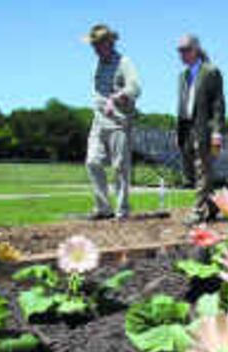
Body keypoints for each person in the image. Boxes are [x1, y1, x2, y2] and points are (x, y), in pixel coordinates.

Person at [83, 24, 141, 220]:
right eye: (94, 45)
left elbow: (135, 88)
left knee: (120, 168)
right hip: (99, 121)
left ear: (109, 43)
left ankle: (122, 210)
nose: (95, 49)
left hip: (119, 122)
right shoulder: (97, 64)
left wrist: (115, 98)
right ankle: (103, 208)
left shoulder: (124, 62)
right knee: (92, 162)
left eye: (98, 44)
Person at [176, 34, 225, 224]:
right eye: (179, 51)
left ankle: (197, 211)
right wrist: (178, 131)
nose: (182, 54)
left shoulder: (211, 72)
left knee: (203, 169)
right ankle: (213, 205)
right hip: (187, 128)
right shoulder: (183, 76)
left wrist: (217, 132)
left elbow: (218, 105)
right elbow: (182, 105)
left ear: (196, 49)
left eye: (186, 49)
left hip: (205, 129)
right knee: (194, 172)